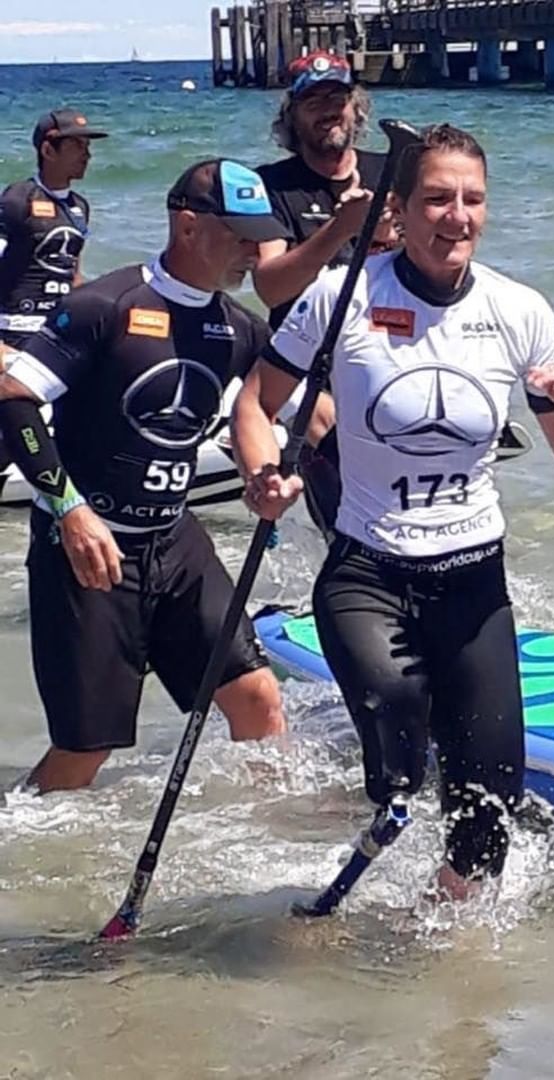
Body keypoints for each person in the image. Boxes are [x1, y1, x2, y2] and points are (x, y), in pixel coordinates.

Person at [232, 123, 554, 900]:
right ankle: (385, 812)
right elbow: (256, 400)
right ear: (399, 210)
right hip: (367, 572)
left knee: (489, 818)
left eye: (473, 200)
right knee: (400, 731)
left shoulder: (519, 311)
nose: (457, 216)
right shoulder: (342, 299)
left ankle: (442, 973)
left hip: (473, 584)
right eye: (437, 198)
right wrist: (263, 471)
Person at [0, 158, 289, 794]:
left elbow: (293, 408)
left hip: (176, 543)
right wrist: (69, 509)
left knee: (257, 699)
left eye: (259, 234)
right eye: (239, 234)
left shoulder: (238, 329)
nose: (252, 250)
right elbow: (13, 399)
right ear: (187, 227)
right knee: (84, 755)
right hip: (87, 549)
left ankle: (265, 848)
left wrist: (273, 471)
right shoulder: (104, 306)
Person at [255, 50, 400, 536]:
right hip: (305, 362)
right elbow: (271, 285)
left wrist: (392, 240)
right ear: (292, 115)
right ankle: (347, 562)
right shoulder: (272, 186)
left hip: (389, 350)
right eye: (312, 100)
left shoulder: (395, 171)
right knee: (333, 446)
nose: (328, 110)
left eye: (337, 97)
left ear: (356, 106)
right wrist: (340, 229)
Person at [0, 109, 109, 358]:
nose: (87, 155)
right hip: (13, 334)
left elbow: (74, 274)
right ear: (48, 151)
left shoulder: (80, 207)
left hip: (57, 335)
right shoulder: (17, 198)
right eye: (77, 146)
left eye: (88, 146)